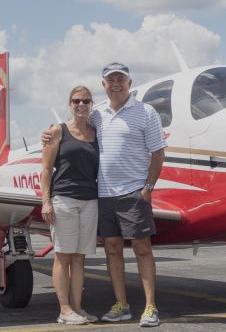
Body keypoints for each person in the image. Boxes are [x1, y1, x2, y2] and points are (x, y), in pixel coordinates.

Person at [43, 62, 166, 327]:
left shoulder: (146, 112)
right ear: (104, 85)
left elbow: (158, 152)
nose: (116, 84)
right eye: (111, 80)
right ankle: (121, 304)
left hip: (134, 192)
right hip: (104, 195)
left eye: (121, 79)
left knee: (142, 248)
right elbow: (69, 131)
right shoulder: (97, 114)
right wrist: (47, 134)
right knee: (112, 249)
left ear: (129, 83)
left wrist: (148, 187)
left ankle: (150, 307)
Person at [40, 85, 100, 325]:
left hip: (90, 200)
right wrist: (46, 201)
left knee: (79, 258)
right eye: (76, 101)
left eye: (86, 101)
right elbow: (45, 169)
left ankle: (77, 308)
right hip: (64, 198)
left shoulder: (96, 133)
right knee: (63, 257)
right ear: (70, 104)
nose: (81, 105)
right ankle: (64, 310)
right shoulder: (57, 131)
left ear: (91, 104)